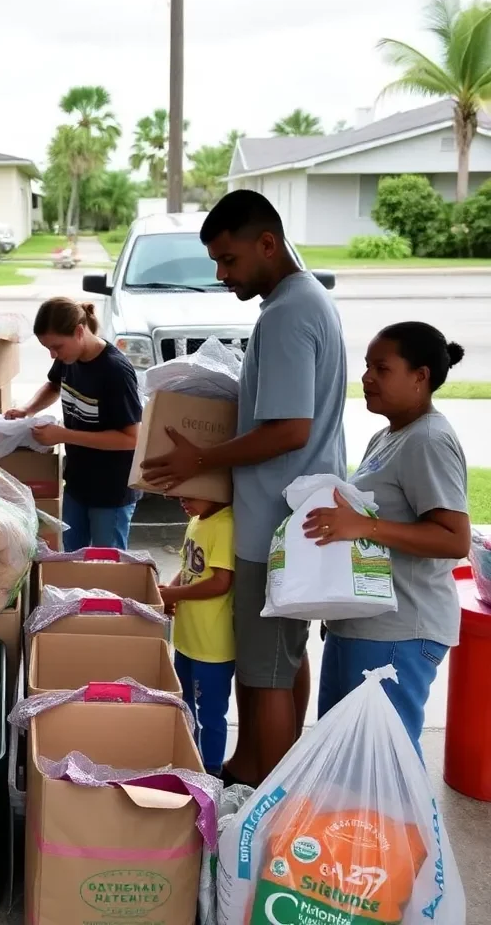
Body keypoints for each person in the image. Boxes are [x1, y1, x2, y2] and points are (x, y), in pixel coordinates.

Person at [141, 190, 347, 788]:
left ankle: (261, 792)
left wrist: (201, 455)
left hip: (272, 527)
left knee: (264, 675)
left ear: (267, 244)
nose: (221, 275)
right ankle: (261, 765)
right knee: (283, 657)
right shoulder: (307, 300)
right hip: (293, 518)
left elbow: (288, 429)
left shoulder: (286, 313)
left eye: (228, 260)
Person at [304, 322, 470, 754]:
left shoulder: (429, 440)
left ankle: (411, 827)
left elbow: (454, 539)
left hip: (399, 633)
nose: (367, 378)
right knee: (344, 761)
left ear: (421, 376)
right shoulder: (389, 435)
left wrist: (364, 526)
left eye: (382, 367)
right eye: (366, 366)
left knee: (384, 766)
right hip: (362, 624)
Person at [6, 297, 142, 550]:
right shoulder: (68, 358)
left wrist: (64, 435)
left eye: (57, 346)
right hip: (78, 482)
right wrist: (27, 409)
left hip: (110, 490)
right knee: (71, 556)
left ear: (80, 332)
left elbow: (131, 438)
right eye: (47, 348)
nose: (52, 355)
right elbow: (54, 384)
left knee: (105, 564)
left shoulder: (114, 370)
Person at [160, 497, 236, 776]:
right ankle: (188, 767)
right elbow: (189, 567)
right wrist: (168, 590)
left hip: (212, 646)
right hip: (187, 640)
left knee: (210, 717)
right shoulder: (196, 520)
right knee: (184, 709)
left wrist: (174, 594)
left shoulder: (225, 524)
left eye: (190, 493)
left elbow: (220, 582)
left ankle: (211, 773)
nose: (181, 499)